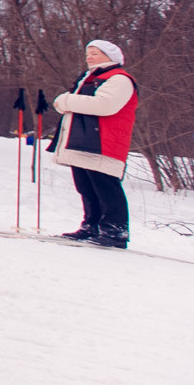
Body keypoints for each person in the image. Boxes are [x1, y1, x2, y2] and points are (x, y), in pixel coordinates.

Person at [52, 39, 139, 249]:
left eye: (96, 53)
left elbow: (104, 105)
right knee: (86, 186)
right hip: (84, 140)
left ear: (110, 57)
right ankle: (91, 225)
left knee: (105, 186)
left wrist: (65, 101)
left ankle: (115, 230)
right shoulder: (91, 78)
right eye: (88, 54)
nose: (90, 57)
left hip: (104, 141)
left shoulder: (119, 79)